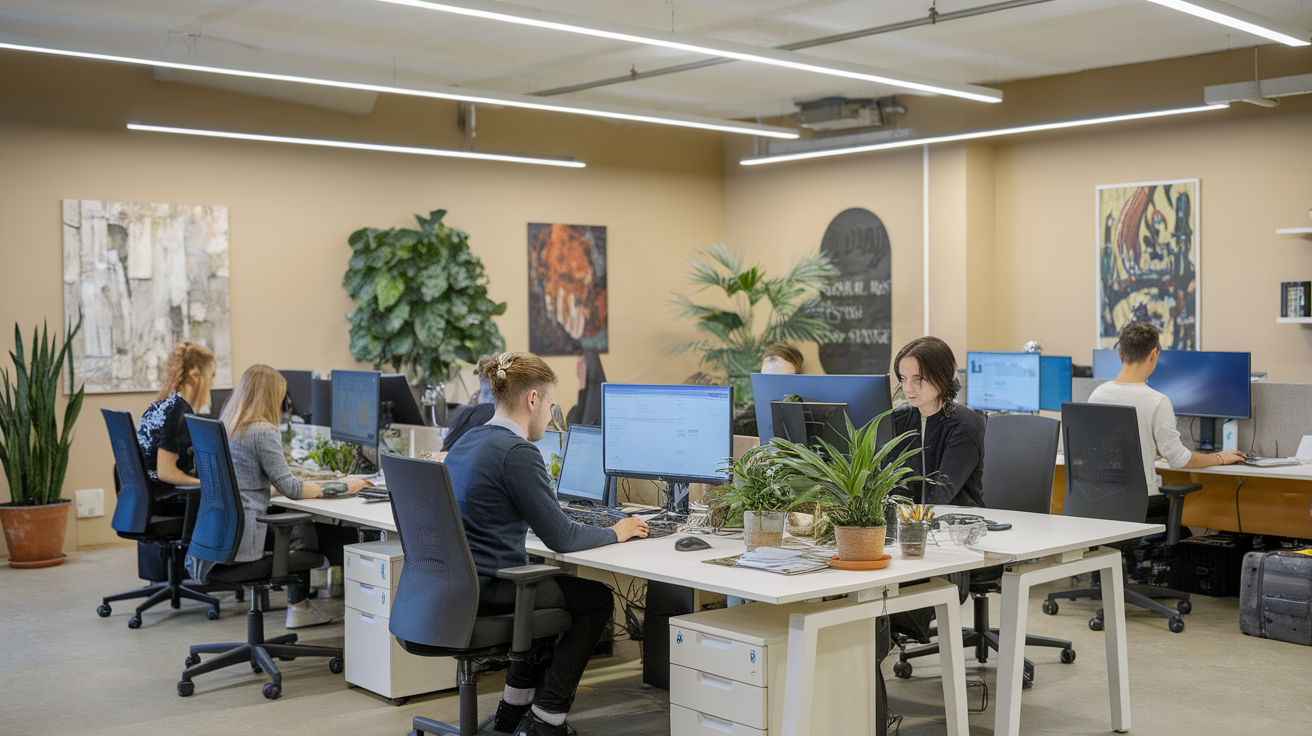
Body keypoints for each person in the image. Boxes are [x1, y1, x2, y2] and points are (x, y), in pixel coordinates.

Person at [444, 352, 648, 736]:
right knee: (595, 599)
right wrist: (616, 530)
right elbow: (562, 537)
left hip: (460, 586)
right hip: (494, 588)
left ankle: (514, 710)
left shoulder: (469, 440)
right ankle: (547, 719)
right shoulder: (518, 451)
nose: (552, 415)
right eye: (552, 405)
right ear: (533, 399)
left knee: (544, 584)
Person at [202, 365, 370, 628]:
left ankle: (300, 606)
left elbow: (246, 485)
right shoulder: (262, 431)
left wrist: (293, 481)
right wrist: (343, 485)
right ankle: (336, 613)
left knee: (299, 526)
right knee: (338, 538)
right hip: (247, 542)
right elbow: (292, 489)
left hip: (223, 539)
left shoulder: (228, 427)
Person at [1089, 322, 1245, 514]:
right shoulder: (1157, 402)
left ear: (1119, 351)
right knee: (1184, 530)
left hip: (1099, 504)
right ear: (1154, 354)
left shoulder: (1097, 395)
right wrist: (1219, 457)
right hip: (1140, 507)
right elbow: (1179, 460)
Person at [889, 336, 985, 507]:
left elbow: (939, 496)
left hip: (955, 520)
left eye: (917, 379)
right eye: (903, 379)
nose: (908, 388)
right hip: (909, 518)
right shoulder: (899, 420)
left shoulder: (964, 426)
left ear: (942, 376)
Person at [136, 340, 217, 517]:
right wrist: (207, 485)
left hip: (147, 499)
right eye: (211, 376)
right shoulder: (180, 411)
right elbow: (167, 472)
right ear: (196, 373)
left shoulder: (163, 404)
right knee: (225, 497)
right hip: (166, 499)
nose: (211, 383)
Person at [564, 349, 605, 426]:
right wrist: (581, 387)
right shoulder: (575, 410)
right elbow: (573, 424)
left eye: (581, 365)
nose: (577, 372)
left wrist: (582, 384)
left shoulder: (600, 407)